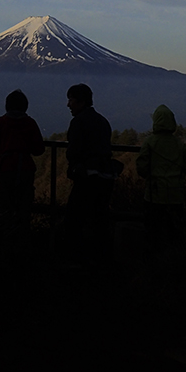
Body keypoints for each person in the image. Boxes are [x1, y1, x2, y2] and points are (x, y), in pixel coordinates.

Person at [64, 83, 114, 265]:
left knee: (74, 219)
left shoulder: (78, 122)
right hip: (106, 178)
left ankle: (75, 261)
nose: (68, 105)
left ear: (81, 102)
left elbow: (74, 150)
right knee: (99, 219)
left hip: (86, 179)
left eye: (71, 100)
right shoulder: (102, 121)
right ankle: (101, 261)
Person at [136, 104, 186, 253]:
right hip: (176, 194)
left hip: (154, 194)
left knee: (153, 233)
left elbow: (141, 168)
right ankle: (174, 265)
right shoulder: (179, 144)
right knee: (174, 232)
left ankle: (154, 264)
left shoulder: (150, 142)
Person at [0, 89, 44, 228]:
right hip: (25, 168)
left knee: (5, 201)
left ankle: (4, 232)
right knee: (24, 203)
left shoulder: (1, 122)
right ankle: (22, 234)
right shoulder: (30, 123)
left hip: (6, 167)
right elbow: (39, 149)